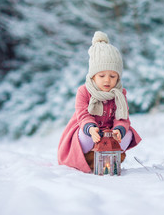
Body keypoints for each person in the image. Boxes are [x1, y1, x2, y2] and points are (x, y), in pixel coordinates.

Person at [58, 31, 142, 173]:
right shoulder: (84, 91)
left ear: (118, 77)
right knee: (86, 138)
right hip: (88, 129)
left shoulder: (120, 94)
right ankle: (88, 157)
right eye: (102, 75)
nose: (107, 80)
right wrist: (91, 128)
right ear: (93, 76)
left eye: (112, 76)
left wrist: (118, 130)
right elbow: (83, 115)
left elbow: (122, 118)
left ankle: (110, 156)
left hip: (109, 134)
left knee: (127, 134)